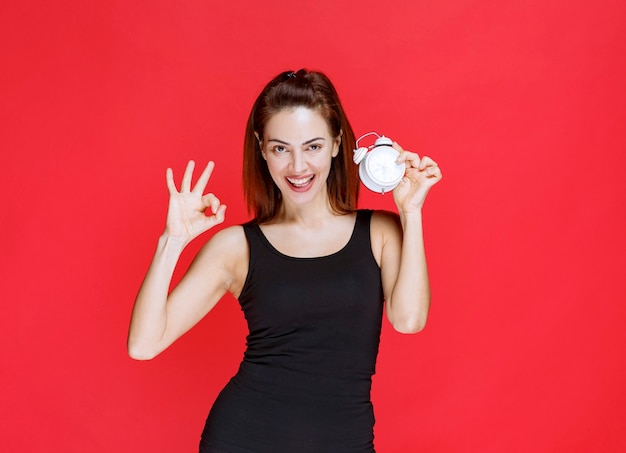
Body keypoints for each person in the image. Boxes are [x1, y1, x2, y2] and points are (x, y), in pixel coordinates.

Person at [127, 69, 442, 452]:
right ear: (261, 148)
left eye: (312, 146)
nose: (297, 167)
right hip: (243, 440)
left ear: (337, 143)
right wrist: (172, 240)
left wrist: (412, 212)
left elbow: (409, 320)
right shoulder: (236, 248)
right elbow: (144, 344)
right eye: (281, 148)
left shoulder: (381, 231)